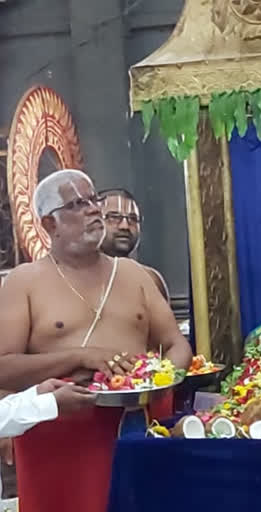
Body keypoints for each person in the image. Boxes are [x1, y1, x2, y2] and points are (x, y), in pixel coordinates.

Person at [0, 169, 192, 512]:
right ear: (49, 225)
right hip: (57, 434)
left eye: (93, 200)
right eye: (76, 204)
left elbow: (177, 346)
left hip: (134, 426)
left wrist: (159, 381)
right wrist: (80, 356)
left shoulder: (135, 275)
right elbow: (4, 368)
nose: (93, 210)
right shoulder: (24, 282)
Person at [98, 188, 170, 301]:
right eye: (114, 217)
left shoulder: (150, 279)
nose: (125, 226)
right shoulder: (76, 279)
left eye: (133, 219)